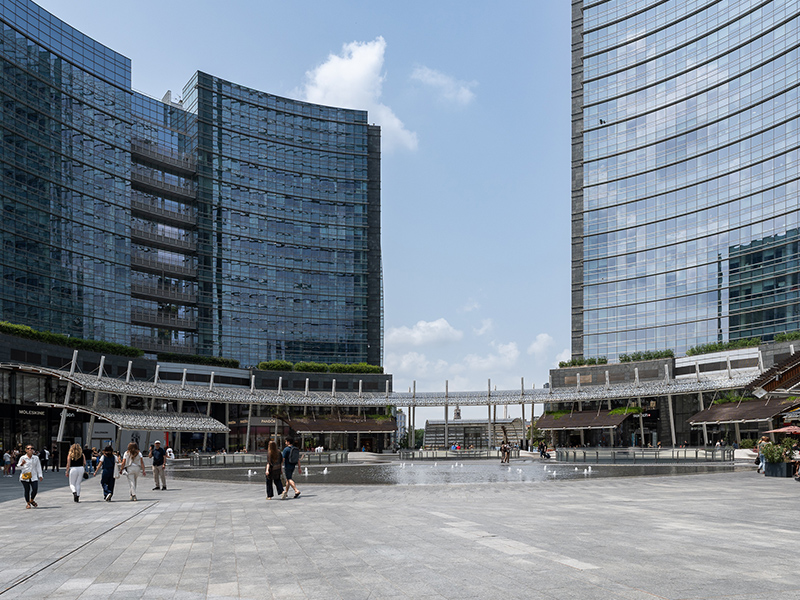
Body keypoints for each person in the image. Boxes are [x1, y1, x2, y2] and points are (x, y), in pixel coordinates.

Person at [17, 444, 43, 509]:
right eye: (28, 448)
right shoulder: (22, 458)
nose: (30, 450)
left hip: (33, 476)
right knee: (27, 490)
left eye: (31, 448)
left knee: (35, 489)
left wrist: (40, 475)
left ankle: (31, 500)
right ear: (26, 450)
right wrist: (22, 464)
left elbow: (38, 467)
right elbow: (18, 467)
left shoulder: (36, 458)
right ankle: (28, 503)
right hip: (25, 477)